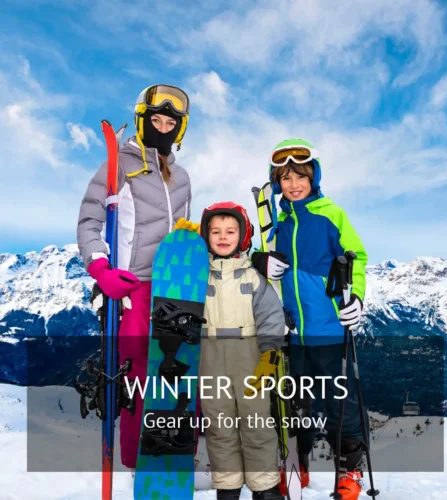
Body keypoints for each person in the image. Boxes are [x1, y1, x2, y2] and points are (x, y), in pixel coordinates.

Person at [76, 84, 197, 470]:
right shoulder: (119, 166)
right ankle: (133, 463)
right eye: (155, 120)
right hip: (133, 287)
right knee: (138, 376)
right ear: (143, 121)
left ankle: (173, 458)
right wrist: (100, 268)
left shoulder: (182, 178)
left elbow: (181, 231)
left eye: (169, 122)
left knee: (178, 376)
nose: (162, 127)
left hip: (175, 287)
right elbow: (89, 221)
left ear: (178, 130)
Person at [251, 138, 369, 500]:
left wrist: (357, 298)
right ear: (277, 182)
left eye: (300, 175)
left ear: (314, 176)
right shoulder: (276, 222)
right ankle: (297, 464)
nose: (293, 184)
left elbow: (357, 258)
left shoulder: (331, 214)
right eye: (285, 178)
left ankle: (349, 472)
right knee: (295, 406)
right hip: (292, 332)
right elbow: (263, 262)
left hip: (330, 330)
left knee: (339, 403)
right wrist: (260, 260)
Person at [198, 201, 285, 500]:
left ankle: (265, 487)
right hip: (208, 356)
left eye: (230, 231)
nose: (223, 237)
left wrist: (270, 354)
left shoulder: (254, 277)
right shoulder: (198, 275)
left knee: (257, 422)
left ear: (243, 235)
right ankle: (228, 487)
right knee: (219, 426)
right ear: (205, 236)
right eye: (216, 232)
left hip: (249, 354)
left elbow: (271, 317)